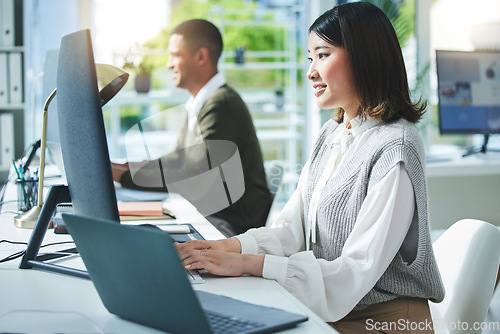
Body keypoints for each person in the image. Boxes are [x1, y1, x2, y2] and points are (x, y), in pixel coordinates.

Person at [176, 3, 444, 333]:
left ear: (364, 57)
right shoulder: (332, 134)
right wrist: (225, 248)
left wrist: (247, 263)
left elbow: (354, 271)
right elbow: (292, 230)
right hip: (332, 308)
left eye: (323, 55)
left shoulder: (396, 146)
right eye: (310, 58)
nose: (311, 72)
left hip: (384, 321)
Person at [112, 19, 271, 237]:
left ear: (201, 57)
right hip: (208, 214)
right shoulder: (202, 103)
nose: (169, 64)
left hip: (226, 227)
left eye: (175, 55)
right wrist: (124, 167)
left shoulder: (220, 105)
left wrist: (125, 177)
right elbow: (176, 160)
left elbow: (195, 176)